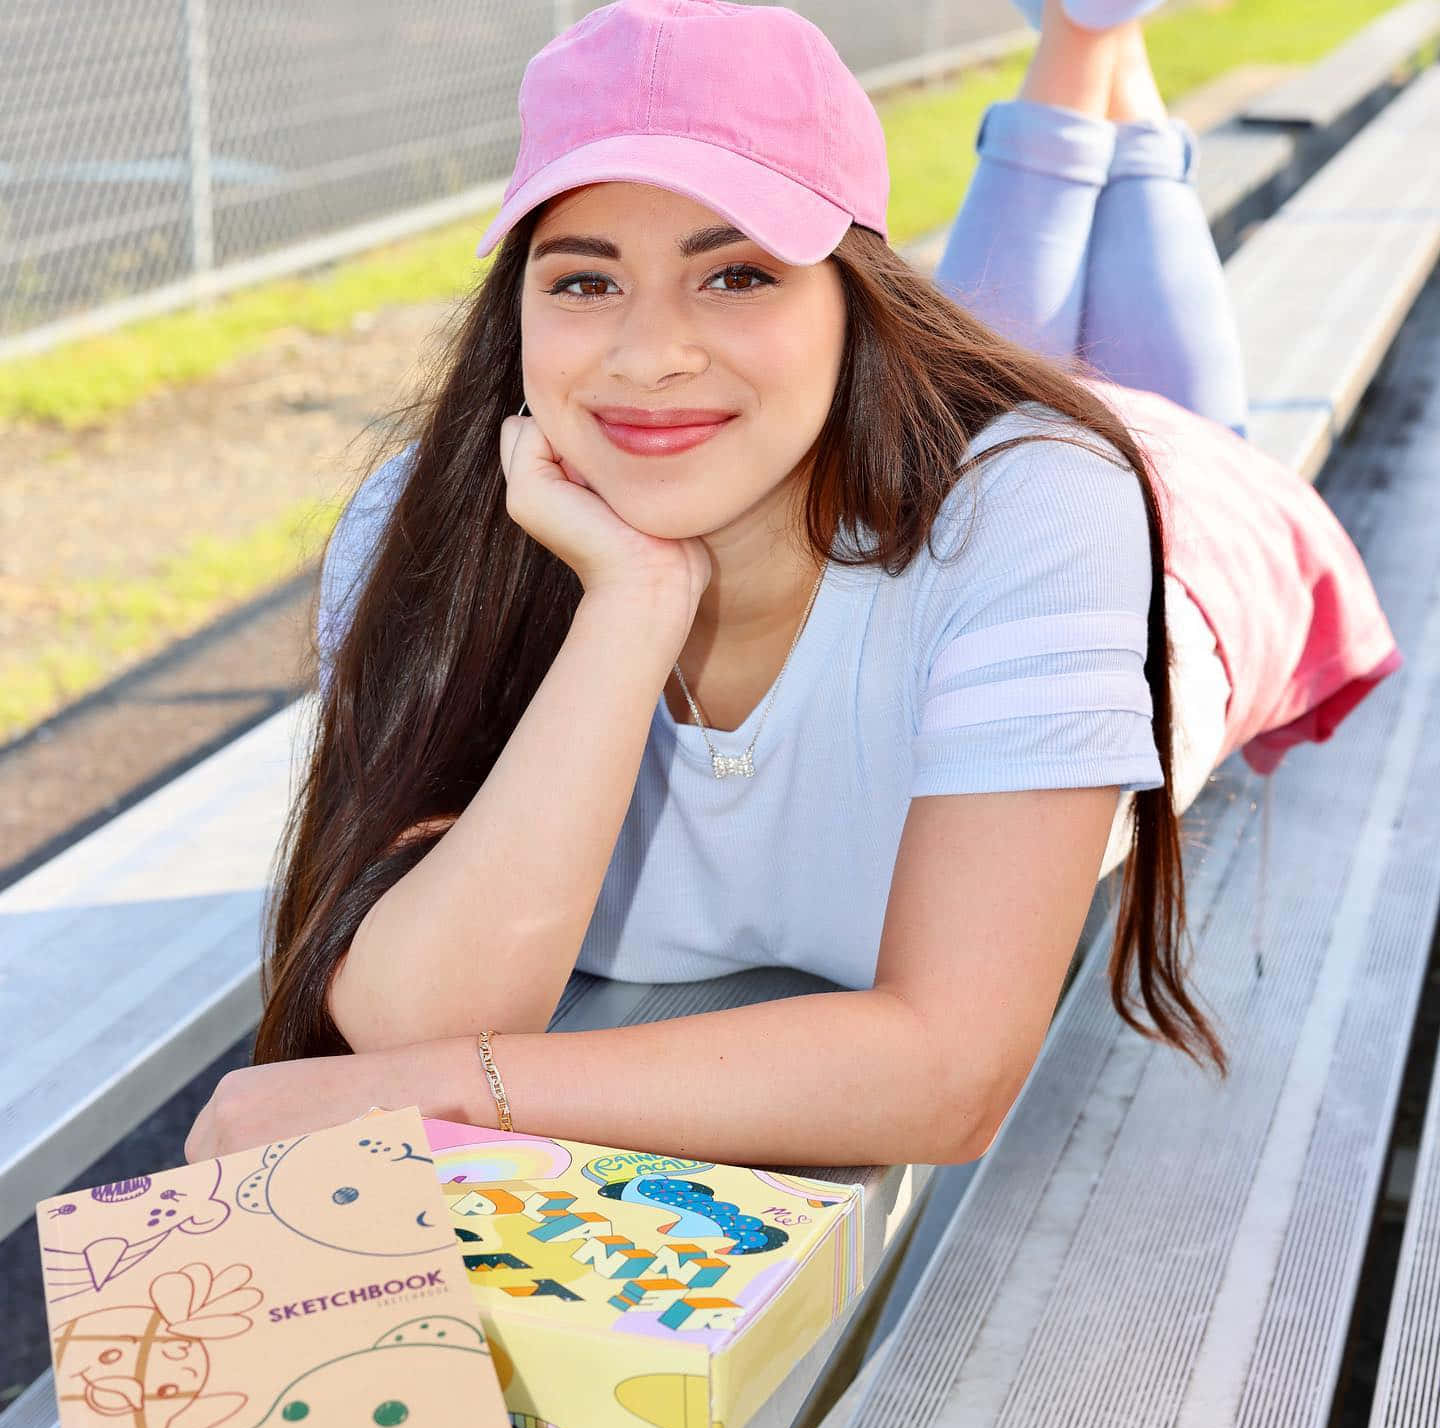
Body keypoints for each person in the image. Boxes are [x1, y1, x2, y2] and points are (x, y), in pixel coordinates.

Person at [183, 0, 1399, 1171]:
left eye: (739, 274)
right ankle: (1096, 38)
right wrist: (632, 601)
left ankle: (1093, 41)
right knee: (995, 354)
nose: (649, 354)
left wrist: (436, 1098)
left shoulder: (1040, 506)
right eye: (584, 280)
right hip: (863, 440)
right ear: (517, 309)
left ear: (856, 302)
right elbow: (420, 1012)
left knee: (1166, 415)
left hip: (1189, 526)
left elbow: (948, 1071)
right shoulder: (431, 525)